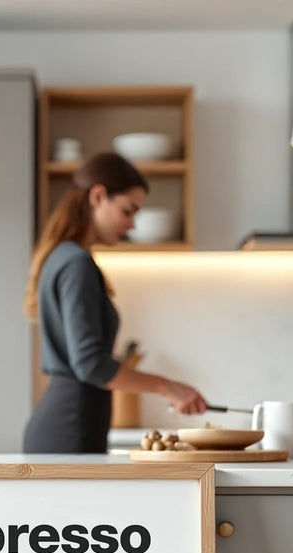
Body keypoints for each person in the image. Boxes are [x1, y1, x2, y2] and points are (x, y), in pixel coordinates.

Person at [22, 152, 207, 454]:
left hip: (67, 424)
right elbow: (91, 364)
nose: (132, 224)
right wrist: (167, 387)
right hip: (70, 428)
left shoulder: (64, 257)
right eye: (128, 210)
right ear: (98, 196)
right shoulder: (76, 263)